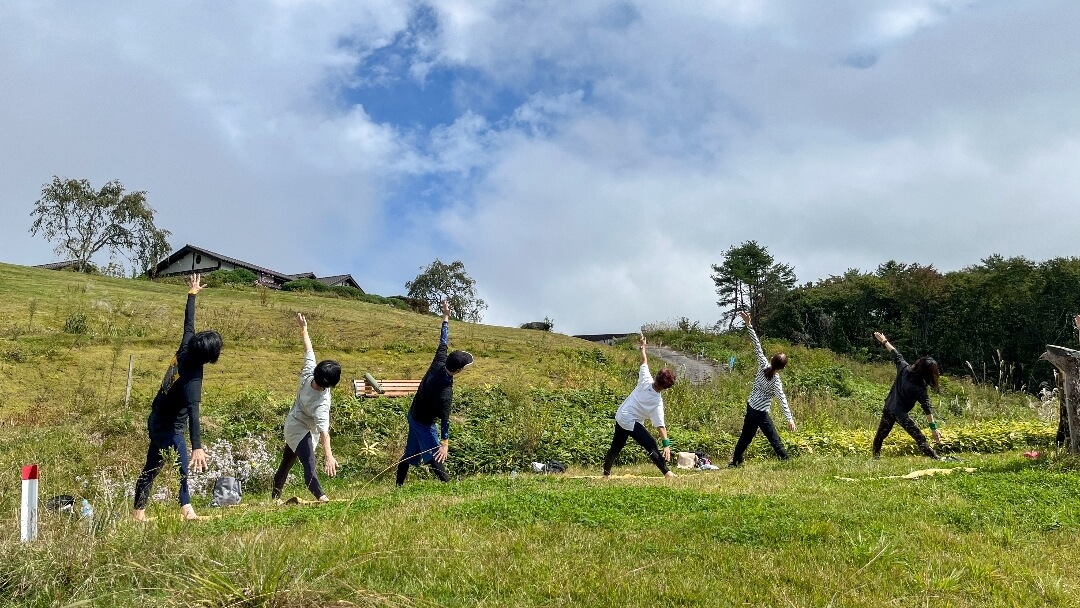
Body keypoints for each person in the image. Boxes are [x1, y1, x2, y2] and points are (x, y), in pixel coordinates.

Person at [133, 274, 222, 521]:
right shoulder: (193, 381)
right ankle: (187, 513)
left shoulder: (187, 346)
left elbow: (188, 324)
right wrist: (197, 447)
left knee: (152, 467)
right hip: (170, 425)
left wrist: (192, 294)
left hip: (157, 415)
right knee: (181, 466)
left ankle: (138, 515)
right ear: (210, 357)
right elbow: (194, 413)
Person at [396, 300, 473, 486]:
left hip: (413, 414)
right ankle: (448, 486)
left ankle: (397, 487)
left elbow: (443, 341)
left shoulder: (440, 361)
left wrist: (445, 316)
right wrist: (445, 443)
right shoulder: (445, 392)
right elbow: (445, 420)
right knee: (435, 454)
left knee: (411, 453)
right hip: (422, 422)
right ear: (458, 370)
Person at [272, 313, 341, 502]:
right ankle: (322, 498)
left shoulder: (312, 379)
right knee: (309, 464)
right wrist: (329, 456)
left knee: (286, 464)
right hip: (297, 426)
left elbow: (308, 349)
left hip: (305, 428)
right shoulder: (320, 401)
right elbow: (325, 432)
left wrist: (304, 328)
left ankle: (273, 499)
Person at [602, 332, 677, 478]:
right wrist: (666, 445)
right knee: (650, 444)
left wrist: (643, 347)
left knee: (616, 447)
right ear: (665, 388)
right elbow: (660, 426)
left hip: (621, 415)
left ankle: (606, 474)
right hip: (630, 420)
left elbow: (644, 362)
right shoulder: (656, 402)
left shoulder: (645, 379)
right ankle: (667, 473)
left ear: (656, 377)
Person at [728, 310, 796, 467]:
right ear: (782, 368)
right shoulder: (776, 381)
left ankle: (736, 460)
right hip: (760, 412)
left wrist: (749, 324)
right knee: (772, 436)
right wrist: (789, 419)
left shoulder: (763, 365)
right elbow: (782, 399)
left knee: (746, 436)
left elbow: (756, 345)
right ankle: (786, 460)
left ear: (772, 360)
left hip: (751, 406)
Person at [871, 331, 942, 459]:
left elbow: (895, 353)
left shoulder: (904, 367)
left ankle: (875, 457)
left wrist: (884, 341)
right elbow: (927, 409)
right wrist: (934, 429)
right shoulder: (919, 387)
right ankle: (936, 458)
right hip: (899, 414)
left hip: (888, 407)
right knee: (920, 437)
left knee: (881, 435)